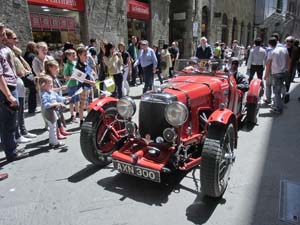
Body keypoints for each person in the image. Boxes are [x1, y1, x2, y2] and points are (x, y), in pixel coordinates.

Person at [0, 22, 28, 162]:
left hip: (9, 87)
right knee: (8, 123)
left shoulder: (4, 48)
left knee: (9, 122)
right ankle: (11, 153)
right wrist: (9, 95)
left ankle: (12, 148)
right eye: (2, 34)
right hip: (6, 90)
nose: (4, 36)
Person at [5, 28, 36, 143]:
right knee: (16, 111)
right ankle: (17, 135)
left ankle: (22, 131)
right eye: (14, 38)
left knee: (21, 109)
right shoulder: (6, 52)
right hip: (14, 83)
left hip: (19, 82)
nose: (17, 40)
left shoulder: (14, 52)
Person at [40, 75, 69, 148]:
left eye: (51, 82)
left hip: (53, 112)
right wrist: (55, 103)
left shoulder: (51, 91)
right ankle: (55, 143)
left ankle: (52, 141)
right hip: (49, 112)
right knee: (53, 128)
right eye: (49, 83)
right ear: (43, 85)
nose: (51, 84)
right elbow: (46, 104)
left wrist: (65, 98)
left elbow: (57, 97)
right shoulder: (44, 94)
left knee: (53, 127)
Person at [45, 59, 71, 139]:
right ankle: (57, 133)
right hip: (52, 101)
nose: (58, 69)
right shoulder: (48, 78)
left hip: (57, 99)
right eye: (56, 68)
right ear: (50, 68)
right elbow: (49, 89)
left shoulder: (54, 77)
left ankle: (61, 130)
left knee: (59, 115)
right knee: (55, 117)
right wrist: (60, 88)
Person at [264, 37, 288, 114]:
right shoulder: (284, 50)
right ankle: (279, 102)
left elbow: (268, 65)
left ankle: (278, 108)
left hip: (276, 73)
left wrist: (266, 74)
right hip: (284, 72)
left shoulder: (272, 52)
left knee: (276, 92)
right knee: (280, 88)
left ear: (270, 44)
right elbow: (288, 60)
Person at [75, 47, 96, 126]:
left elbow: (90, 73)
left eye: (86, 54)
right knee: (82, 105)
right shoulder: (78, 66)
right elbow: (80, 78)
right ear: (79, 55)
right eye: (84, 55)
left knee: (90, 104)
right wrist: (90, 82)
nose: (86, 56)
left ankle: (89, 119)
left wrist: (94, 77)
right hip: (83, 88)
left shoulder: (86, 63)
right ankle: (81, 120)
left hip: (90, 87)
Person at [63, 49, 79, 123]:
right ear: (68, 56)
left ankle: (77, 113)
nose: (74, 56)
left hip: (77, 84)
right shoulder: (67, 65)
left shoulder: (75, 63)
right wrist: (73, 77)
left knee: (77, 100)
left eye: (74, 54)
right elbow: (65, 76)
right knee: (72, 101)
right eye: (73, 55)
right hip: (71, 85)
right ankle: (72, 115)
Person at [23, 41, 37, 113]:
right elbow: (34, 67)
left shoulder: (24, 55)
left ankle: (31, 107)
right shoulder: (32, 56)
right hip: (31, 76)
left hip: (26, 76)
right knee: (33, 92)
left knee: (32, 92)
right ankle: (32, 108)